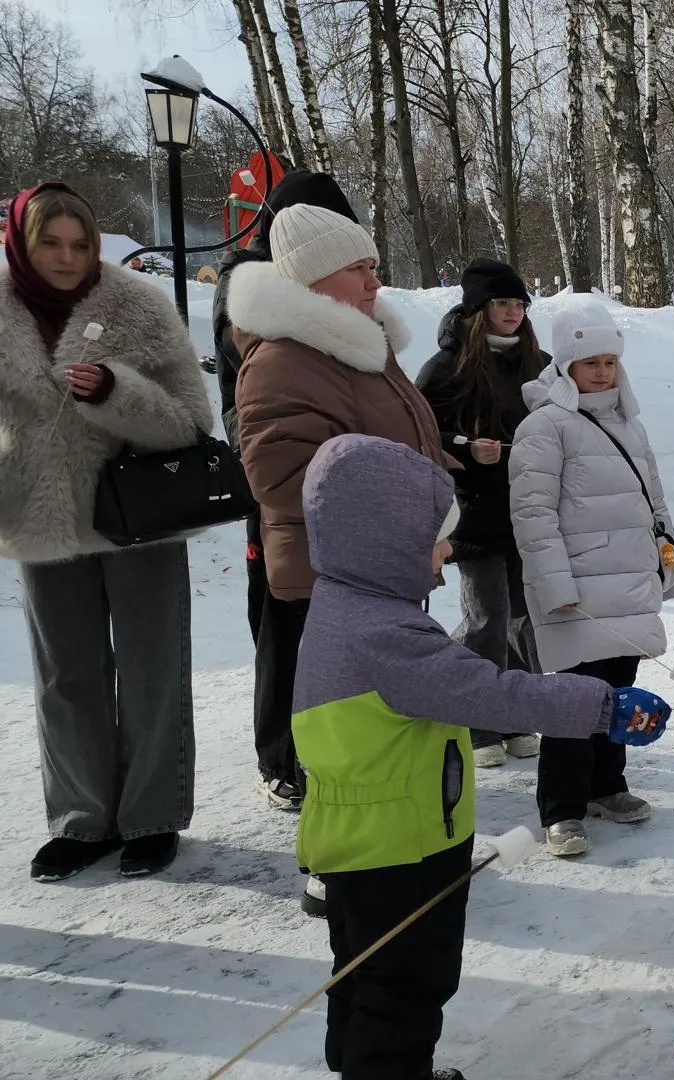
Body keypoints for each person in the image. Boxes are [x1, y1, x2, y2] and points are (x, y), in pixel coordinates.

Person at [294, 433, 663, 1080]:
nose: (449, 550)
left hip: (350, 836)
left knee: (362, 968)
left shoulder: (339, 602)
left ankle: (364, 1065)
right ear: (383, 538)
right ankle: (386, 1069)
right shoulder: (388, 636)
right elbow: (495, 693)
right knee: (409, 982)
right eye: (436, 536)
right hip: (402, 846)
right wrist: (602, 708)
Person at [231, 203, 456, 913]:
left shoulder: (359, 347)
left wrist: (443, 488)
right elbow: (283, 477)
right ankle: (337, 869)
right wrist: (407, 519)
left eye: (373, 265)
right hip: (329, 581)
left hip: (381, 569)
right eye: (359, 267)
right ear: (313, 275)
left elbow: (401, 444)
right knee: (340, 739)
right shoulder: (283, 360)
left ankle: (387, 852)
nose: (373, 279)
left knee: (382, 726)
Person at [0, 182, 210, 881]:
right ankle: (82, 820)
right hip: (38, 516)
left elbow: (190, 421)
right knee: (65, 676)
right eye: (50, 243)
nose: (67, 258)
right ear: (21, 244)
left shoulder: (139, 306)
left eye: (80, 244)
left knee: (152, 669)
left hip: (137, 519)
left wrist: (114, 392)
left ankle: (151, 816)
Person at [209, 170, 362, 807]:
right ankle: (279, 755)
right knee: (282, 624)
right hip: (278, 497)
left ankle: (338, 745)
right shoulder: (250, 300)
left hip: (347, 496)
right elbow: (241, 407)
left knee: (345, 629)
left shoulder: (346, 299)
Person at [512, 304, 674, 857]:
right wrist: (554, 585)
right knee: (571, 701)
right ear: (566, 365)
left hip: (629, 585)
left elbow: (654, 501)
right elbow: (533, 514)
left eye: (610, 361)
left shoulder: (628, 423)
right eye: (591, 362)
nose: (604, 372)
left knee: (618, 693)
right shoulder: (544, 426)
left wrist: (669, 566)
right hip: (577, 591)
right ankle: (561, 809)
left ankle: (608, 785)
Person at [415, 258, 548, 767]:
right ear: (478, 309)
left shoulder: (541, 361)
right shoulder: (446, 366)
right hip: (473, 510)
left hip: (530, 508)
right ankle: (479, 722)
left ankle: (515, 716)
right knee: (486, 617)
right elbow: (421, 433)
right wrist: (466, 448)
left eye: (519, 303)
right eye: (502, 303)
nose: (513, 312)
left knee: (523, 616)